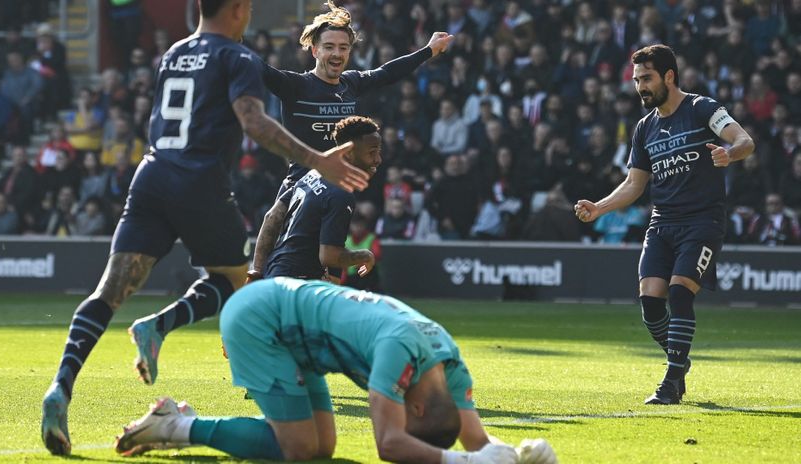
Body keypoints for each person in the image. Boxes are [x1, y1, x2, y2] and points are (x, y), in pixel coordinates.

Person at [40, 0, 369, 456]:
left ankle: (60, 386)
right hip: (199, 182)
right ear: (237, 9)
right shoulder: (238, 58)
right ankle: (160, 326)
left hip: (150, 174)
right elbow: (254, 122)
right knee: (237, 283)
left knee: (108, 290)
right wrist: (317, 160)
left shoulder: (174, 52)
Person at [114, 277, 557, 464]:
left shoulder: (450, 365)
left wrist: (517, 455)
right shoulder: (399, 351)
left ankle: (178, 418)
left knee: (323, 447)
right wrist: (459, 461)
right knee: (300, 447)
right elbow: (389, 444)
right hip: (260, 318)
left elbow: (478, 443)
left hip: (296, 330)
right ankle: (175, 425)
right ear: (416, 407)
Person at [574, 44, 755, 405]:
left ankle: (671, 382)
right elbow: (634, 185)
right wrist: (600, 208)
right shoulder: (644, 128)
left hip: (703, 221)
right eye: (636, 79)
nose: (639, 86)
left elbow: (745, 141)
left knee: (679, 293)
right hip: (662, 223)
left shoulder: (703, 109)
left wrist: (728, 153)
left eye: (646, 78)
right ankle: (679, 361)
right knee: (650, 304)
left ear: (669, 77)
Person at [262, 0, 452, 195]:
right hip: (299, 189)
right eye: (329, 47)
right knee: (271, 221)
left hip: (338, 189)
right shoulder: (296, 85)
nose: (337, 53)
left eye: (343, 47)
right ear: (315, 50)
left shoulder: (352, 82)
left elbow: (387, 72)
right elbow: (258, 69)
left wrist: (429, 50)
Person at [249, 116, 382, 284]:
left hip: (274, 275)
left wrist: (256, 272)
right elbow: (329, 256)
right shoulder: (341, 194)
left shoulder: (313, 174)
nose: (378, 159)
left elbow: (272, 217)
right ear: (349, 153)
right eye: (371, 153)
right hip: (298, 284)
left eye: (378, 152)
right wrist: (364, 255)